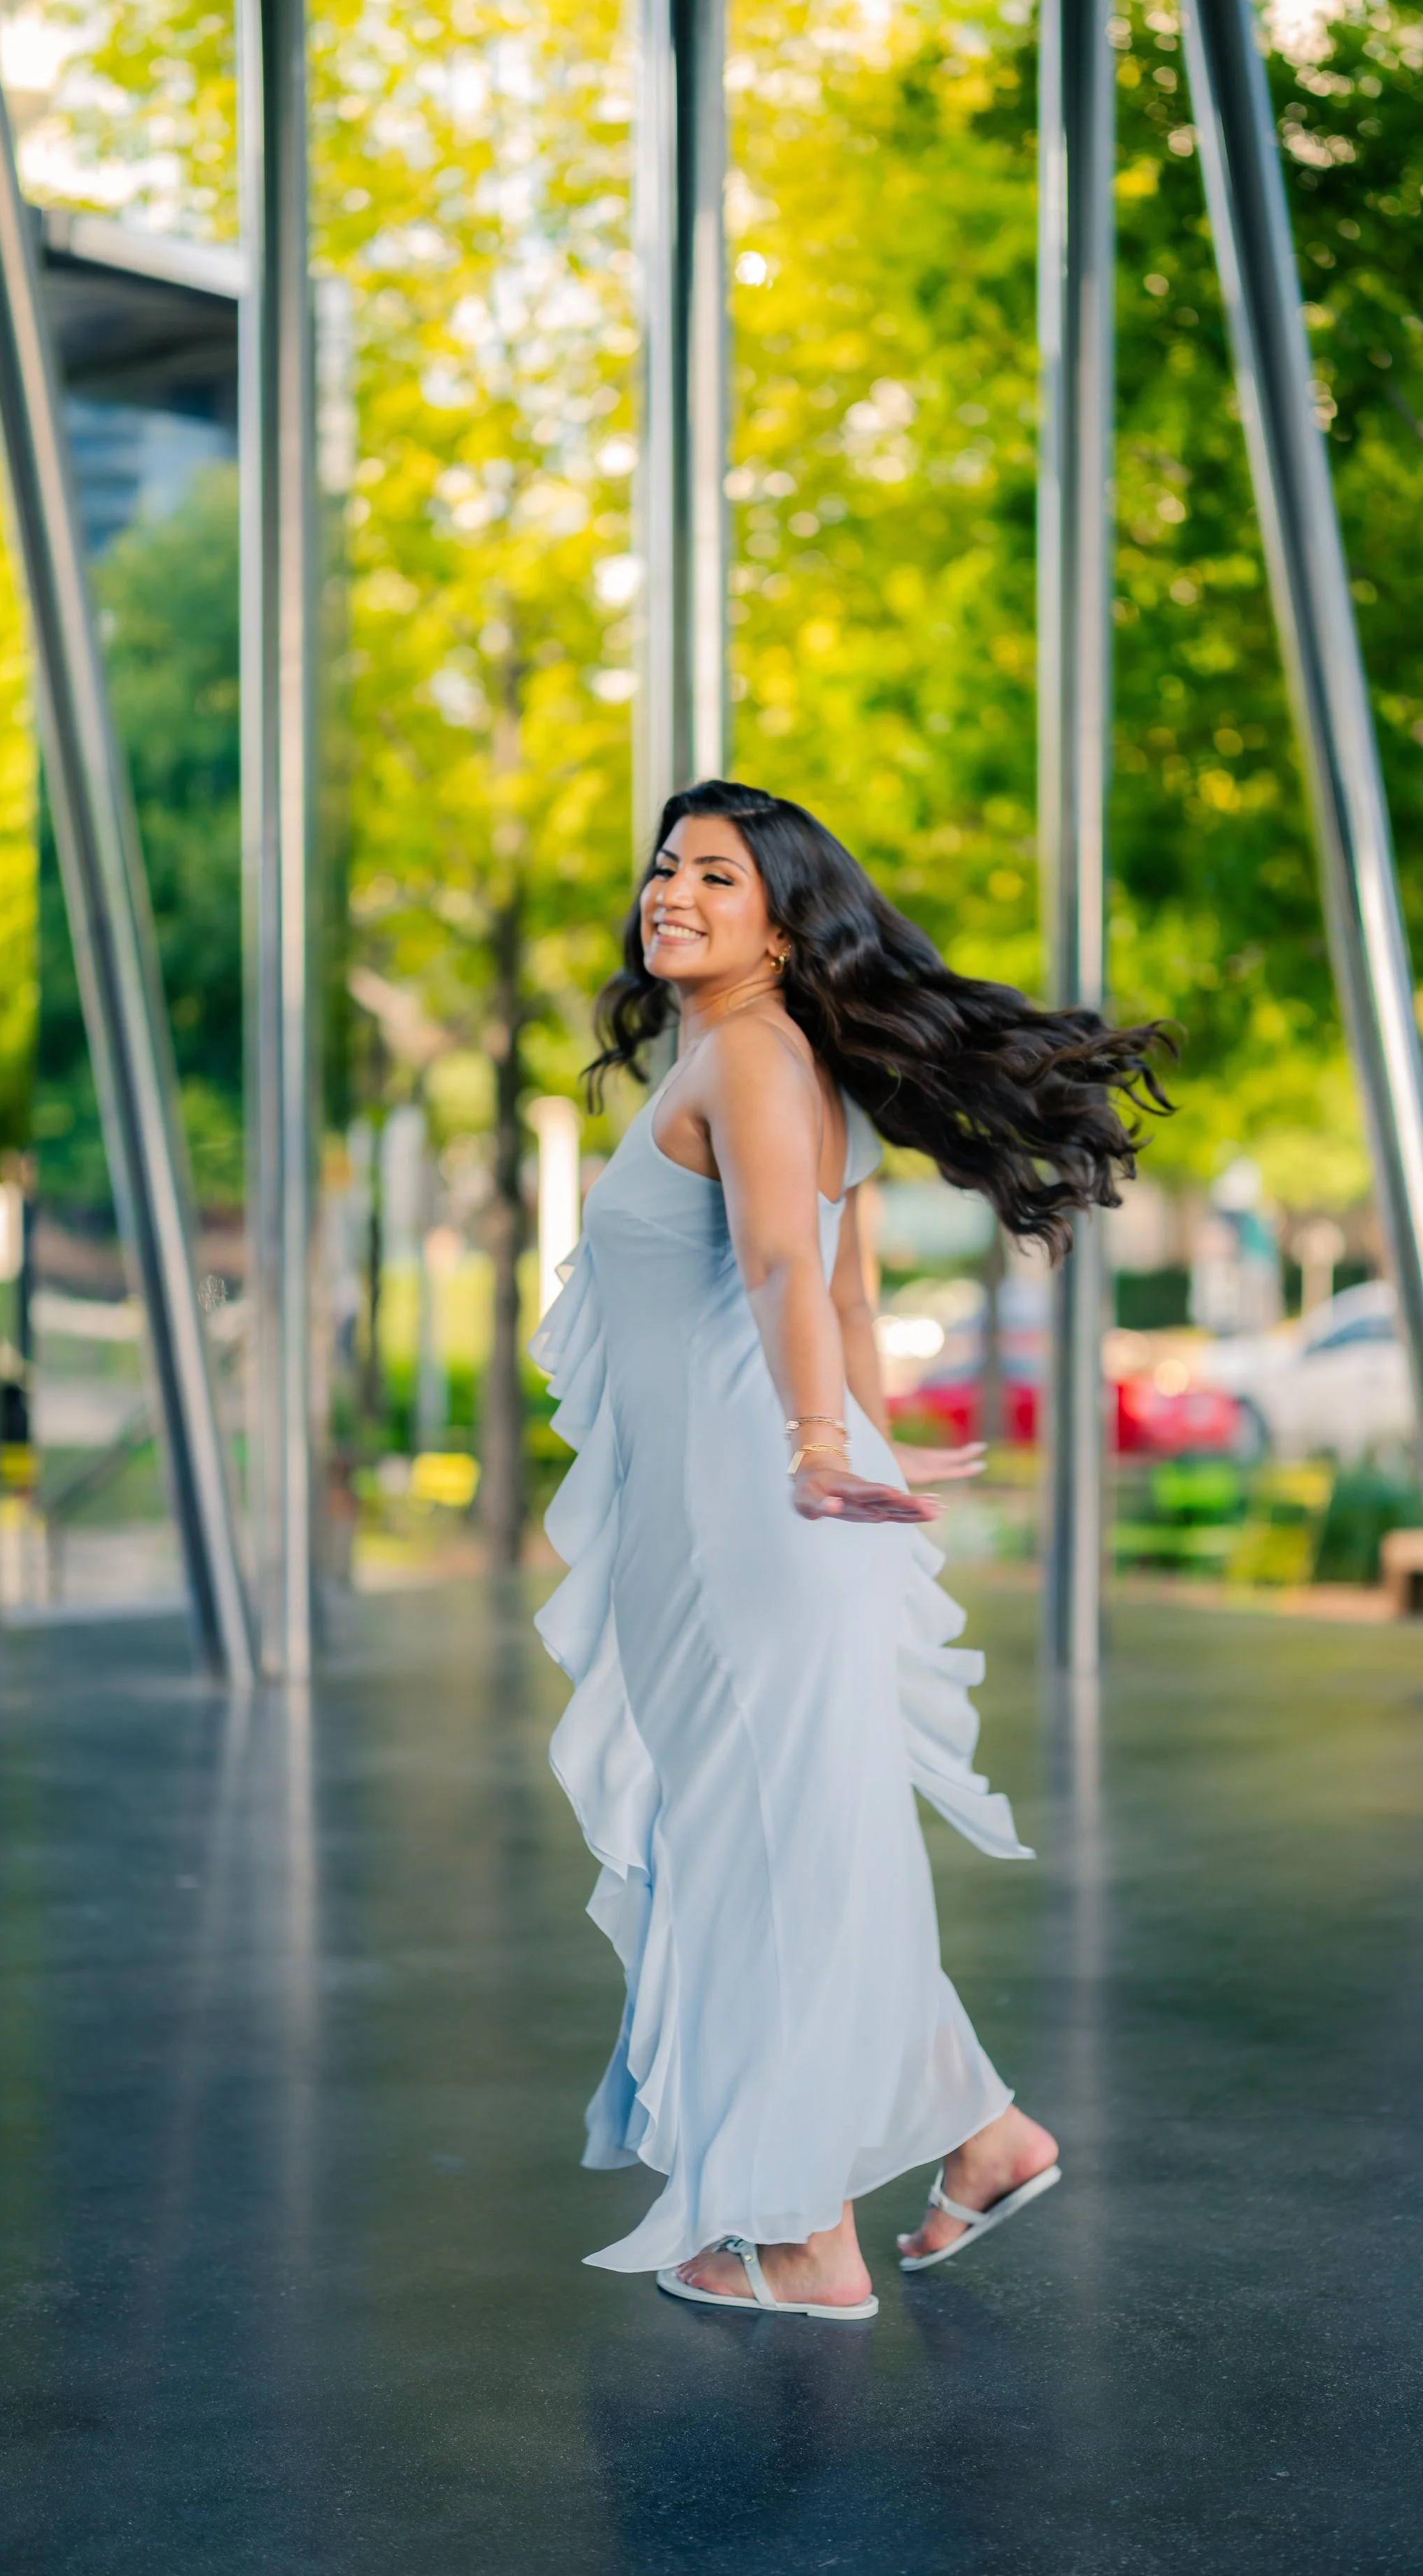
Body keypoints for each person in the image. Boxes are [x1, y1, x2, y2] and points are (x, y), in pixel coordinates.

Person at [530, 779, 1168, 2319]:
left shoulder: (751, 1056)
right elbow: (845, 1289)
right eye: (666, 864)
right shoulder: (757, 1055)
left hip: (748, 1521)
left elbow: (774, 1264)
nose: (671, 890)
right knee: (797, 1838)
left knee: (768, 1851)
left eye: (719, 875)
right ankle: (982, 2136)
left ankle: (804, 2235)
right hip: (758, 1510)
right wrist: (861, 1439)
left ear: (781, 919)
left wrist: (825, 1452)